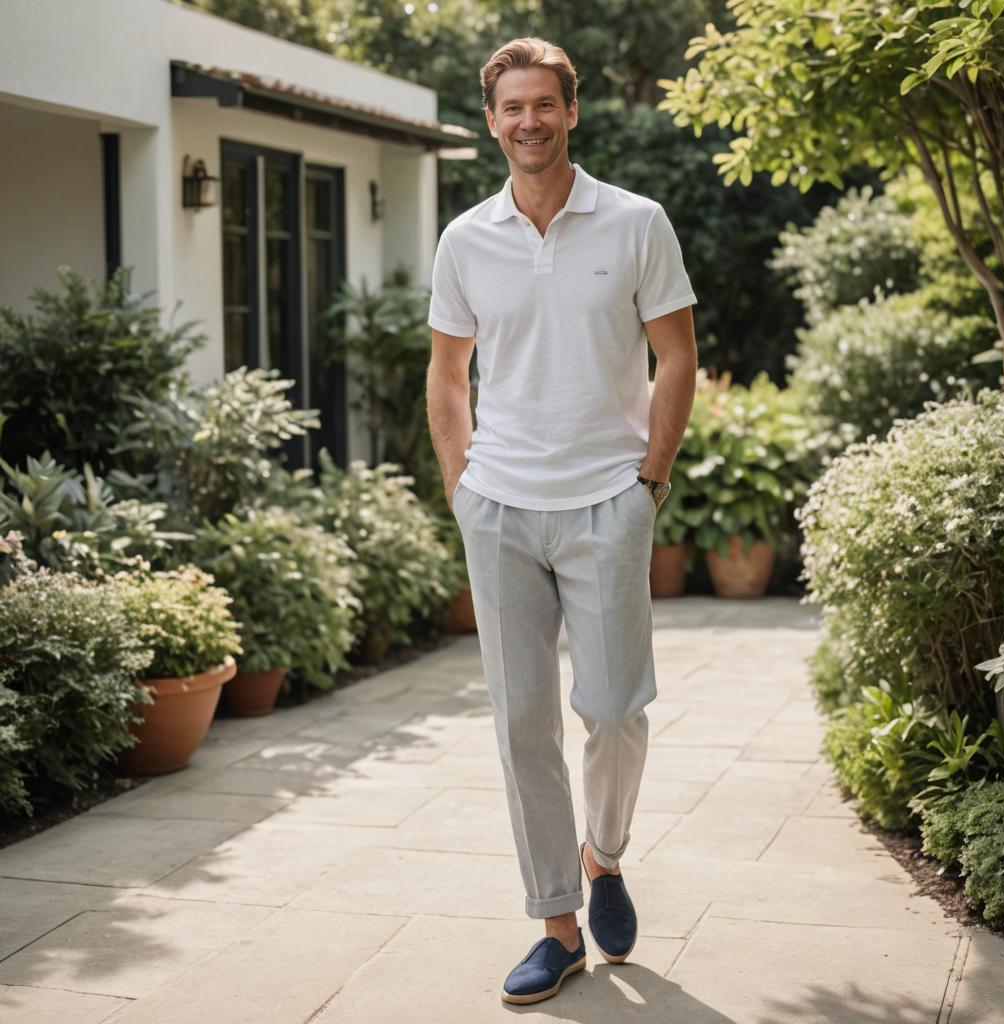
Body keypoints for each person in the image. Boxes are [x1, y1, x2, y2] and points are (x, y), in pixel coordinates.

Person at [425, 36, 699, 1005]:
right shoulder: (465, 239)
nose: (528, 121)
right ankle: (554, 922)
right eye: (512, 107)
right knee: (522, 724)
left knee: (616, 708)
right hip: (499, 509)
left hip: (604, 506)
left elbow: (676, 357)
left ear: (570, 112)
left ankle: (605, 854)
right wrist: (462, 486)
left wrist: (647, 484)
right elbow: (447, 372)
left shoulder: (635, 223)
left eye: (544, 104)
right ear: (491, 119)